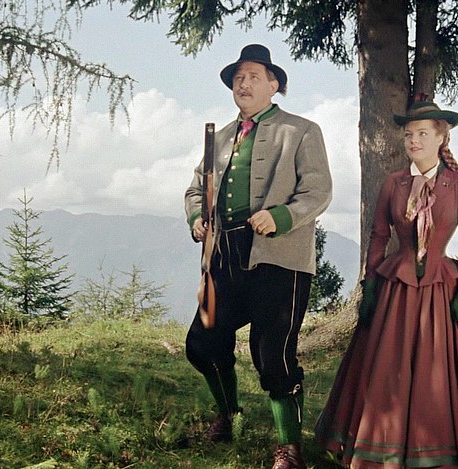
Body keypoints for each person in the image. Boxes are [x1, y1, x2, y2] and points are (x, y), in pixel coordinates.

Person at [314, 101, 458, 468]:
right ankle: (383, 444)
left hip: (440, 291)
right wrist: (370, 284)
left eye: (423, 133)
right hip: (397, 289)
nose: (414, 140)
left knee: (436, 370)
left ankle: (436, 447)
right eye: (409, 134)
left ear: (442, 137)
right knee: (388, 368)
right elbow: (379, 236)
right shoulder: (394, 183)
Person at [184, 44, 333, 469]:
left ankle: (289, 448)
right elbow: (195, 189)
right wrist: (197, 217)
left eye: (252, 77)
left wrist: (281, 216)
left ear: (274, 84)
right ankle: (229, 416)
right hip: (224, 259)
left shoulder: (301, 131)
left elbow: (318, 190)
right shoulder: (219, 138)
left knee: (273, 356)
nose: (243, 84)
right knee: (202, 343)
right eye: (238, 78)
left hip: (279, 260)